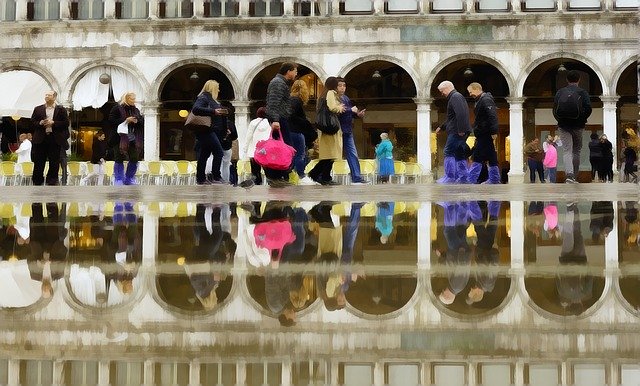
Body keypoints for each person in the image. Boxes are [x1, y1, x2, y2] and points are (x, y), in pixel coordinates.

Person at [553, 70, 592, 184]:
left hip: (563, 125)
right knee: (576, 151)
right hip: (578, 125)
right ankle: (574, 176)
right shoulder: (582, 92)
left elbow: (555, 109)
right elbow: (588, 108)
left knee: (567, 150)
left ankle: (569, 176)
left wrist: (560, 120)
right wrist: (582, 119)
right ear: (579, 79)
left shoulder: (560, 92)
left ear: (567, 80)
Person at [264, 62, 298, 187]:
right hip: (279, 120)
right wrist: (275, 120)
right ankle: (275, 177)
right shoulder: (278, 83)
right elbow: (273, 103)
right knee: (280, 149)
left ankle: (279, 176)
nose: (295, 74)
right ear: (288, 71)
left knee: (282, 148)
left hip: (280, 118)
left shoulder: (281, 82)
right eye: (295, 71)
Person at [307, 76, 345, 186]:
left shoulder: (323, 94)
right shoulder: (331, 93)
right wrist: (340, 108)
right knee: (330, 155)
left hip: (325, 127)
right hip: (331, 127)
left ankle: (322, 176)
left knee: (329, 155)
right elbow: (332, 107)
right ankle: (320, 175)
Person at [30, 90, 70, 186]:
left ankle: (52, 180)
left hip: (54, 138)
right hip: (40, 138)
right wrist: (40, 123)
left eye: (49, 95)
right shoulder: (38, 109)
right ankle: (37, 180)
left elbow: (66, 123)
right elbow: (32, 122)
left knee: (54, 161)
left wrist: (53, 123)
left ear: (54, 97)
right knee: (39, 161)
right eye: (46, 95)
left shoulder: (61, 110)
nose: (47, 96)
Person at [435, 81, 472, 184]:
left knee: (448, 152)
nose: (442, 93)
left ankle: (449, 177)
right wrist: (441, 127)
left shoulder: (455, 97)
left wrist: (461, 129)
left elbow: (461, 114)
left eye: (442, 91)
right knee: (459, 153)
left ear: (447, 88)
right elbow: (452, 117)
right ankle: (463, 177)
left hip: (457, 131)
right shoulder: (456, 97)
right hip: (458, 129)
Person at [191, 80, 226, 185]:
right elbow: (196, 109)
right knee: (219, 152)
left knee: (204, 154)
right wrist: (213, 111)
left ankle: (201, 178)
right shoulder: (204, 97)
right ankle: (216, 176)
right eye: (217, 88)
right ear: (212, 88)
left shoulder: (211, 99)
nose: (219, 90)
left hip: (211, 131)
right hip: (206, 130)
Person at [466, 82, 500, 184]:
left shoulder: (486, 100)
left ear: (477, 89)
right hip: (483, 132)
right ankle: (494, 179)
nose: (470, 94)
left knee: (477, 155)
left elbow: (492, 116)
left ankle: (471, 178)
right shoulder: (480, 100)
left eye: (471, 91)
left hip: (485, 132)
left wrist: (494, 131)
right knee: (491, 156)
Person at [337, 77, 369, 185]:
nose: (342, 88)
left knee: (352, 153)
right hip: (337, 129)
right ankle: (322, 175)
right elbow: (336, 111)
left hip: (347, 129)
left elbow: (349, 112)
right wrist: (351, 110)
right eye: (340, 85)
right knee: (332, 154)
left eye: (344, 85)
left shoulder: (345, 98)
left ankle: (356, 177)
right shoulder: (334, 97)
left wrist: (357, 114)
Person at [108, 92, 144, 185]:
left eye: (134, 98)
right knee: (118, 158)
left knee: (134, 157)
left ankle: (129, 178)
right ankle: (119, 179)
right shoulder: (117, 108)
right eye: (132, 99)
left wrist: (137, 121)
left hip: (132, 137)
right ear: (126, 99)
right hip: (119, 138)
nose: (134, 101)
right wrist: (125, 120)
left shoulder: (135, 110)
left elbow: (141, 121)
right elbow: (111, 121)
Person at [288, 79, 317, 185]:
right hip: (296, 131)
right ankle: (301, 176)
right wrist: (305, 122)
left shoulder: (290, 99)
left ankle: (293, 175)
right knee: (300, 155)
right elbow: (292, 116)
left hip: (289, 131)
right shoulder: (296, 101)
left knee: (293, 155)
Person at [242, 107, 271, 185]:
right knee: (267, 170)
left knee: (255, 171)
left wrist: (245, 148)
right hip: (266, 150)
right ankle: (269, 183)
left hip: (254, 151)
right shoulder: (269, 123)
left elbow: (248, 136)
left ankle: (257, 183)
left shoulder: (253, 122)